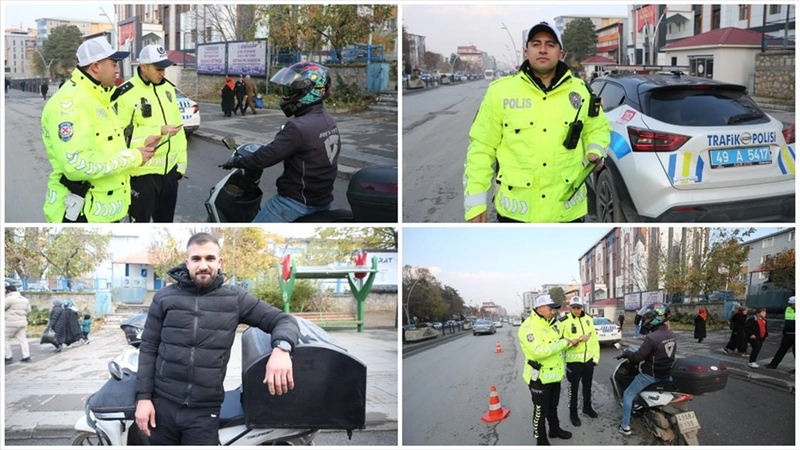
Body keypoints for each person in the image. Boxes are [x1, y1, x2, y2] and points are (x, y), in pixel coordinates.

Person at [134, 232, 301, 445]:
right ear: (187, 262)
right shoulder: (164, 298)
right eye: (196, 259)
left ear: (219, 262)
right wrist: (143, 399)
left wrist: (282, 349)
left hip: (204, 413)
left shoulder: (235, 298)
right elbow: (148, 349)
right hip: (162, 406)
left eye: (209, 258)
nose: (203, 265)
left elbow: (283, 320)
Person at [463, 20, 611, 223]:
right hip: (516, 213)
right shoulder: (499, 93)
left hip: (567, 210)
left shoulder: (582, 92)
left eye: (550, 45)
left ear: (561, 53)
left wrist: (595, 149)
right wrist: (475, 204)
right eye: (536, 44)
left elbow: (598, 127)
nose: (543, 50)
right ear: (526, 51)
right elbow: (481, 148)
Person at [42, 37, 159, 223]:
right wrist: (133, 157)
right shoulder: (71, 104)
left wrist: (139, 149)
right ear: (96, 66)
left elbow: (107, 145)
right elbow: (77, 164)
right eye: (114, 64)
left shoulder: (100, 97)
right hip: (81, 212)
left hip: (104, 208)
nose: (118, 70)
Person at [221, 62, 339, 222]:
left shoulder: (298, 127)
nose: (286, 96)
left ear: (309, 91)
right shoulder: (327, 119)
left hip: (294, 203)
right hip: (322, 200)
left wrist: (240, 161)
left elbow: (267, 156)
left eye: (291, 91)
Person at [111, 45, 186, 224]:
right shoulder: (125, 93)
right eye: (158, 69)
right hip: (141, 175)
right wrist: (157, 130)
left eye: (164, 69)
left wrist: (181, 165)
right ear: (144, 67)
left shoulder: (168, 89)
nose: (163, 73)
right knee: (140, 225)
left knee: (166, 224)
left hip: (169, 173)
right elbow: (119, 135)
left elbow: (179, 129)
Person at [518, 294, 581, 445]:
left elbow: (561, 339)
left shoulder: (553, 323)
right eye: (550, 308)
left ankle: (554, 429)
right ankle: (541, 441)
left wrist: (572, 341)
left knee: (553, 406)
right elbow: (538, 351)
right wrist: (564, 343)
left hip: (555, 375)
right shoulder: (528, 327)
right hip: (539, 377)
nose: (553, 311)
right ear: (540, 308)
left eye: (554, 309)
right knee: (540, 411)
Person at [619, 303, 676, 436]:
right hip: (666, 373)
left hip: (651, 375)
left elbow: (638, 357)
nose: (646, 321)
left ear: (654, 320)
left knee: (628, 394)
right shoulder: (671, 333)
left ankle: (625, 426)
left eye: (648, 319)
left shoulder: (652, 338)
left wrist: (629, 355)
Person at [559, 297, 599, 427]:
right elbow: (559, 342)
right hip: (573, 362)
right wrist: (572, 343)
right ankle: (573, 414)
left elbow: (594, 341)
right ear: (570, 308)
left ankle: (587, 408)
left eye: (578, 307)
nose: (576, 310)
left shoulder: (588, 319)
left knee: (587, 387)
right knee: (573, 390)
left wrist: (595, 358)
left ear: (582, 307)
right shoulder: (564, 322)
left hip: (588, 361)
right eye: (574, 308)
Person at [4, 282, 32, 364]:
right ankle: (26, 356)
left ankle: (8, 356)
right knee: (23, 340)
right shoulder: (24, 299)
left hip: (11, 322)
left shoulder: (9, 299)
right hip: (22, 322)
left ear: (8, 291)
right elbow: (29, 311)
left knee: (4, 338)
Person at [765, 296, 795, 371]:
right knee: (781, 350)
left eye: (792, 304)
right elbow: (776, 310)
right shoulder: (788, 309)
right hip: (787, 334)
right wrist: (764, 310)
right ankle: (773, 365)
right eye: (790, 304)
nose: (791, 306)